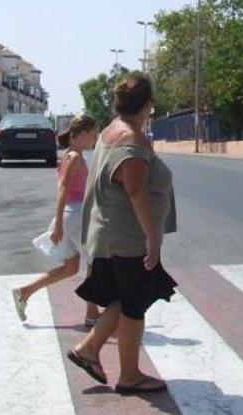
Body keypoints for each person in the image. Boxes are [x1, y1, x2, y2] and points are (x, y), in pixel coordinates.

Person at [67, 72, 177, 395]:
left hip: (109, 235)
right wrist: (152, 237)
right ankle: (127, 374)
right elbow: (135, 190)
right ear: (147, 106)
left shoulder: (109, 132)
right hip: (128, 239)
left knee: (126, 299)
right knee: (134, 304)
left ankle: (90, 350)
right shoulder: (132, 139)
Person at [12, 115, 101, 326]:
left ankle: (24, 293)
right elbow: (63, 190)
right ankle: (91, 312)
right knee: (96, 261)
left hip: (72, 215)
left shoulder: (71, 155)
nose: (96, 138)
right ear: (83, 134)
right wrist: (59, 222)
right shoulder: (75, 158)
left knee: (71, 267)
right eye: (95, 134)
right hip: (75, 216)